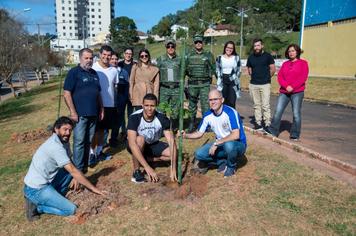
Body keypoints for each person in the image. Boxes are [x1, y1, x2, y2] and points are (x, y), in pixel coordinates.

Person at [23, 117, 105, 221]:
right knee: (71, 209)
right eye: (65, 129)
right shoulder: (55, 146)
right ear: (56, 129)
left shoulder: (63, 141)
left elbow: (71, 164)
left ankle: (52, 197)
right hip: (36, 189)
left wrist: (75, 177)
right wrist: (94, 189)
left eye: (70, 130)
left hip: (46, 182)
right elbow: (72, 169)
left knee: (71, 172)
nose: (68, 133)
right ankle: (37, 207)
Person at [178, 89, 246, 178]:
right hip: (221, 144)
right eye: (210, 100)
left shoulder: (230, 112)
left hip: (237, 144)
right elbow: (199, 133)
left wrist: (217, 143)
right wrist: (186, 135)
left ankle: (231, 167)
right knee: (199, 154)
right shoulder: (207, 115)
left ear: (222, 100)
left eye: (215, 99)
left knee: (229, 146)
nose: (213, 102)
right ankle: (222, 162)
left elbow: (236, 135)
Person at [63, 48, 104, 174]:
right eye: (86, 58)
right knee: (79, 142)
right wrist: (73, 112)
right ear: (80, 58)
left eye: (91, 58)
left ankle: (84, 168)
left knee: (88, 141)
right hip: (80, 115)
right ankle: (77, 171)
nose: (89, 60)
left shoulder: (94, 73)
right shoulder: (74, 72)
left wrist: (101, 109)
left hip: (93, 114)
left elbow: (98, 94)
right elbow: (67, 93)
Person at [127, 93, 177, 183]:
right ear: (142, 105)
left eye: (152, 105)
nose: (149, 108)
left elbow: (172, 141)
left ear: (156, 106)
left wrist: (173, 168)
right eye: (146, 105)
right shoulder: (134, 117)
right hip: (139, 144)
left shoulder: (162, 118)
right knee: (140, 139)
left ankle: (147, 159)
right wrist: (148, 168)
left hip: (154, 143)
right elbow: (132, 144)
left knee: (173, 153)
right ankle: (136, 172)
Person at [267, 44, 309, 141]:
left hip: (297, 92)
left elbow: (303, 77)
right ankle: (273, 131)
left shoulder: (303, 63)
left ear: (297, 52)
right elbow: (280, 76)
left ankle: (295, 134)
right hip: (284, 92)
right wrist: (286, 86)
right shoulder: (285, 64)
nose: (291, 53)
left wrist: (293, 87)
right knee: (278, 111)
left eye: (293, 51)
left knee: (296, 113)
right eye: (289, 51)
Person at [90, 45, 118, 161]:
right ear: (100, 55)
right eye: (104, 55)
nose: (106, 57)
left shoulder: (114, 70)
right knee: (93, 130)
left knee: (103, 130)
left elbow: (115, 88)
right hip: (95, 104)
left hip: (109, 104)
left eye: (109, 55)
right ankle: (91, 153)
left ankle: (99, 151)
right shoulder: (93, 68)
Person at [185, 34, 215, 132]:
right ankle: (191, 123)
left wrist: (214, 78)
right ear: (194, 43)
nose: (198, 44)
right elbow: (184, 70)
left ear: (203, 43)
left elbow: (213, 68)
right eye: (196, 42)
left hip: (204, 84)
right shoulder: (188, 55)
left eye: (200, 42)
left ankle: (206, 124)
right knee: (192, 105)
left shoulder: (208, 55)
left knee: (205, 105)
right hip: (192, 84)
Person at [246, 38, 276, 131]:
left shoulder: (268, 56)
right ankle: (258, 123)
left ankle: (267, 123)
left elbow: (273, 69)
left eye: (258, 45)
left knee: (265, 105)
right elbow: (249, 70)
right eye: (255, 46)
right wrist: (255, 77)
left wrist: (267, 78)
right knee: (256, 105)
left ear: (262, 46)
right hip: (254, 84)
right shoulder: (251, 57)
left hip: (265, 84)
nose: (256, 47)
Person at [156, 38, 182, 129]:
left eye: (172, 46)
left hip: (176, 89)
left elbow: (185, 72)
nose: (170, 48)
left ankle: (173, 128)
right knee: (161, 109)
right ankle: (162, 128)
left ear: (175, 47)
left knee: (175, 110)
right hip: (164, 89)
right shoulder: (160, 59)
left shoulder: (180, 59)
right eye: (168, 46)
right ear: (166, 47)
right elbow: (155, 72)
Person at [109, 51, 130, 146]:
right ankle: (103, 142)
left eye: (116, 59)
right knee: (107, 121)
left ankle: (114, 139)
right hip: (108, 100)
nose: (114, 61)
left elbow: (127, 86)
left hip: (120, 100)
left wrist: (125, 98)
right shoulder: (106, 70)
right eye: (112, 59)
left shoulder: (123, 72)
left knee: (118, 120)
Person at [216, 41, 241, 108]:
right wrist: (219, 80)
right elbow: (217, 70)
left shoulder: (236, 58)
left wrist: (235, 78)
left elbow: (239, 70)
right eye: (228, 47)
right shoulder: (219, 57)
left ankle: (232, 117)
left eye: (231, 48)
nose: (229, 49)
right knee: (224, 101)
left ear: (233, 49)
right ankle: (225, 117)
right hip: (223, 80)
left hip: (233, 81)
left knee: (232, 101)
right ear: (225, 48)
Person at [118, 47, 136, 138]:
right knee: (121, 113)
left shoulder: (135, 65)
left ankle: (130, 130)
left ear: (132, 55)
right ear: (124, 54)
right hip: (121, 92)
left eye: (130, 53)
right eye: (127, 53)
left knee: (130, 113)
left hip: (132, 92)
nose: (128, 55)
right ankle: (123, 130)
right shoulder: (119, 64)